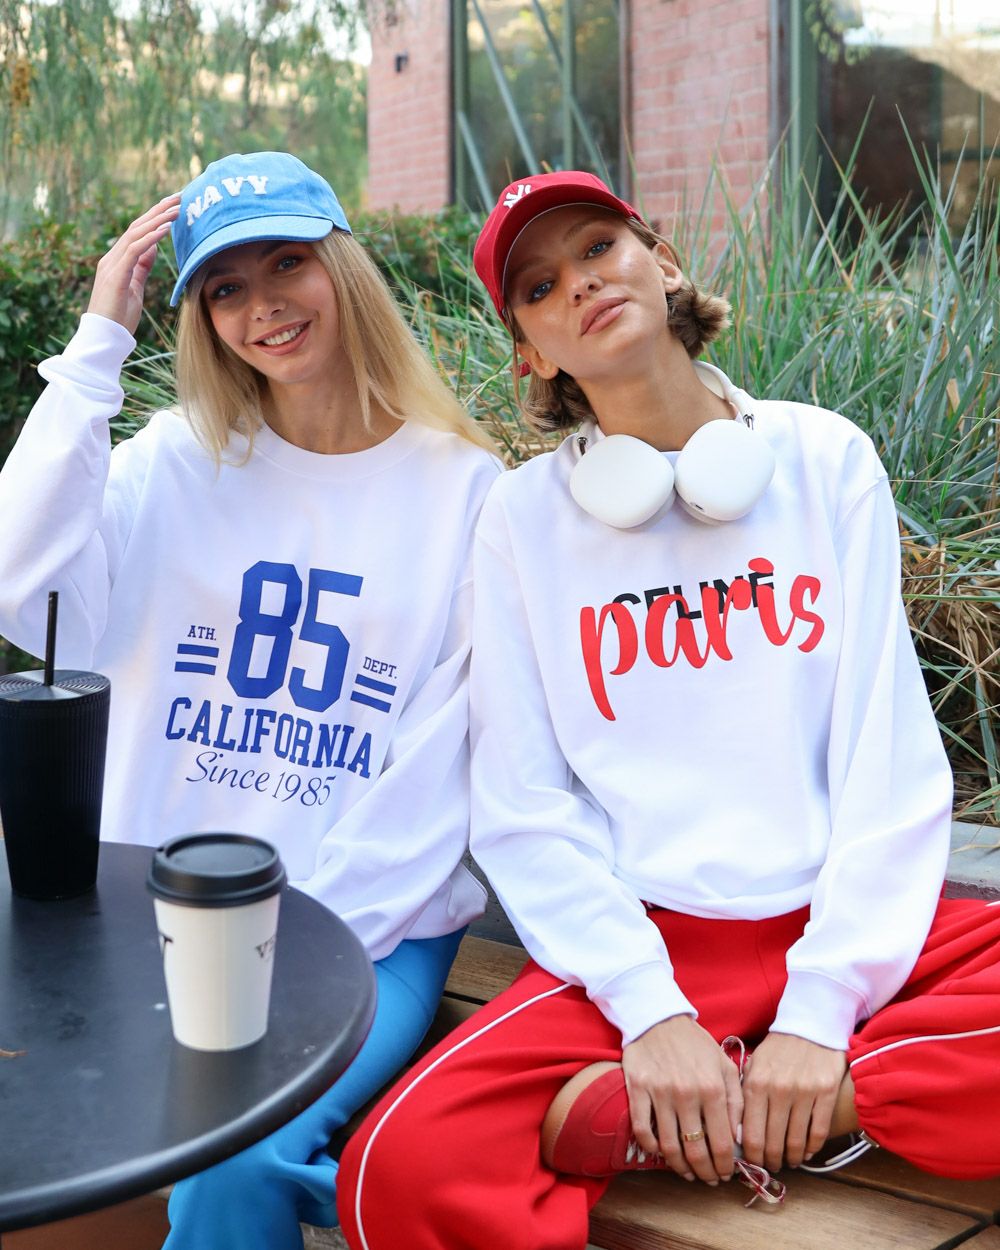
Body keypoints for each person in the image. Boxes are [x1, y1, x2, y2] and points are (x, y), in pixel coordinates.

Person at [334, 171, 1000, 1250]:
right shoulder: (522, 519)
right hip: (650, 939)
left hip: (844, 920)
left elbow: (885, 754)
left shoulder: (824, 458)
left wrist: (820, 1013)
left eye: (599, 247)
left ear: (664, 261)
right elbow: (521, 800)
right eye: (540, 287)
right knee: (393, 1172)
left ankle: (771, 1112)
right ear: (531, 352)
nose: (580, 282)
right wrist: (649, 1009)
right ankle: (748, 1100)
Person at [0, 151, 500, 1249]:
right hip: (146, 918)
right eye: (226, 286)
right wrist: (98, 342)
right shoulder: (173, 461)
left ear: (341, 268)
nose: (263, 304)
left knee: (238, 1156)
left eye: (287, 263)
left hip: (362, 928)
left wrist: (288, 956)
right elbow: (16, 578)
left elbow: (438, 775)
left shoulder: (467, 493)